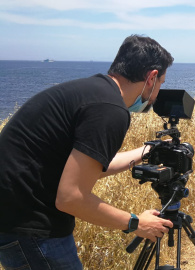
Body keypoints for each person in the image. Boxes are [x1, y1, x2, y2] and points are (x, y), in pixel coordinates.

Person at [0, 35, 175, 269]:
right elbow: (71, 197)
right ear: (151, 77)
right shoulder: (110, 110)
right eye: (161, 83)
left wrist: (146, 151)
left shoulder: (93, 92)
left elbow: (85, 169)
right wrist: (136, 223)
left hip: (15, 221)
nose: (157, 93)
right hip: (34, 229)